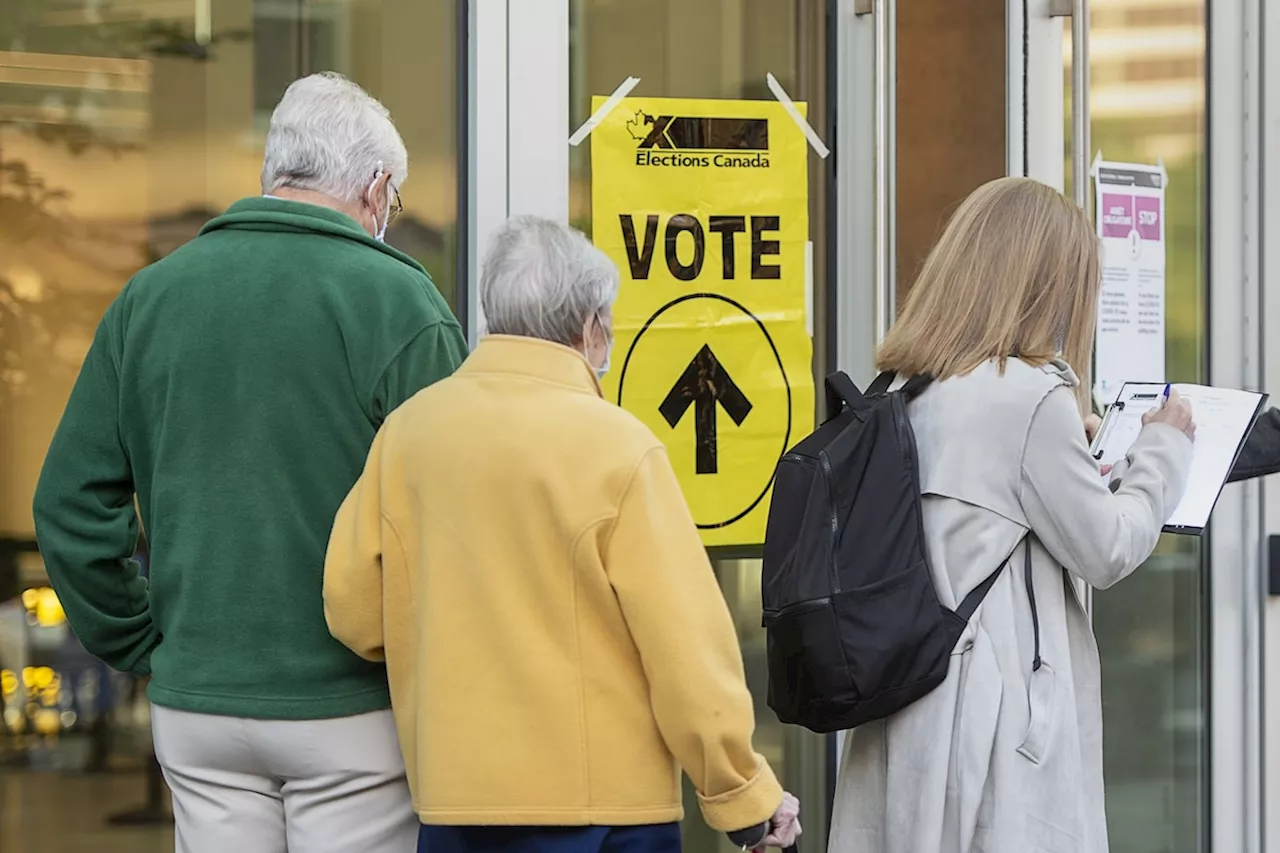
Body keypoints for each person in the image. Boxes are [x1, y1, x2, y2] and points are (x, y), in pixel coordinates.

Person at [33, 71, 467, 853]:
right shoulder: (400, 304)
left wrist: (142, 640)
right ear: (375, 190)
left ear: (275, 174)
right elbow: (461, 518)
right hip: (353, 707)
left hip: (198, 704)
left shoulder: (149, 298)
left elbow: (68, 502)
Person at [324, 215, 802, 853]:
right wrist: (742, 795)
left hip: (455, 804)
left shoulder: (407, 436)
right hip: (605, 812)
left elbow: (353, 612)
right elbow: (687, 651)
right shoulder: (618, 447)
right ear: (591, 329)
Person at [827, 177, 1195, 853]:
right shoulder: (1026, 394)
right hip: (991, 728)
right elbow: (1109, 548)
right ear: (1049, 286)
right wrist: (1164, 448)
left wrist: (1072, 456)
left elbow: (987, 509)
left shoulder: (908, 389)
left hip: (906, 706)